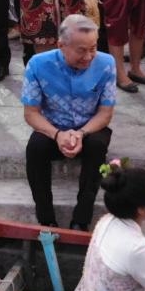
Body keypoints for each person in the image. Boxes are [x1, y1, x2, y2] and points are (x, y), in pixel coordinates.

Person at [22, 13, 115, 234]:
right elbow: (31, 113)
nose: (89, 56)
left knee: (97, 147)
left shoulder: (106, 63)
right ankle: (46, 220)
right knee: (35, 148)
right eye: (81, 50)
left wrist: (81, 134)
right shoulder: (37, 65)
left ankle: (81, 220)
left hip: (89, 127)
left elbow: (105, 113)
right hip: (53, 127)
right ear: (61, 45)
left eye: (93, 48)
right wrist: (57, 135)